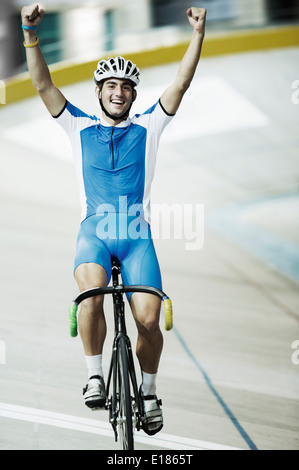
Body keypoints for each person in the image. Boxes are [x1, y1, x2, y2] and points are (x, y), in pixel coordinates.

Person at [21, 3, 206, 436]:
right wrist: (29, 31)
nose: (118, 92)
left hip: (136, 237)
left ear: (134, 95)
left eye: (126, 86)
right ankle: (94, 373)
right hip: (95, 235)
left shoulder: (150, 125)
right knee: (90, 295)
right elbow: (42, 81)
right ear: (99, 90)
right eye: (110, 85)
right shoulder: (77, 126)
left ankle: (148, 390)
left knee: (147, 320)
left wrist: (197, 34)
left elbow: (181, 80)